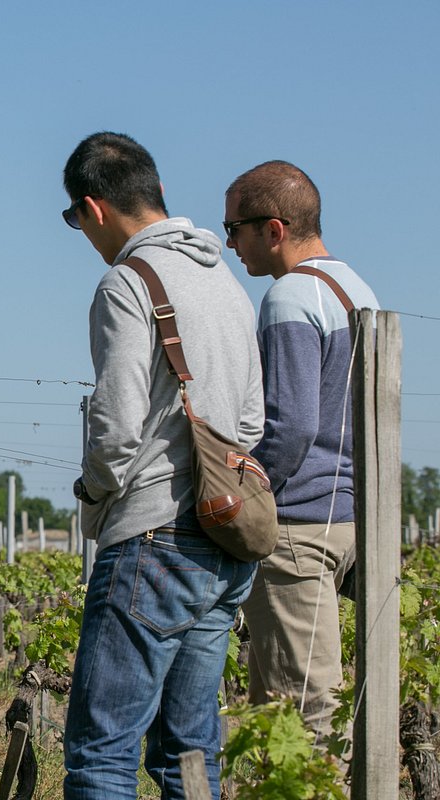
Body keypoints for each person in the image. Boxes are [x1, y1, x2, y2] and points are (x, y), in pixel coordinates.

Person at [60, 132, 264, 799]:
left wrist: (92, 492)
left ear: (93, 208)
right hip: (224, 541)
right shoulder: (225, 281)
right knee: (189, 751)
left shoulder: (127, 283)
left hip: (153, 537)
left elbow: (117, 429)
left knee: (102, 753)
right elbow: (252, 424)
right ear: (158, 192)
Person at [225, 161, 379, 735]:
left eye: (234, 229)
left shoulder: (290, 297)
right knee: (286, 709)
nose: (230, 245)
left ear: (274, 229)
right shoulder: (355, 288)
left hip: (296, 527)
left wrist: (242, 497)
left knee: (305, 715)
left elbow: (290, 428)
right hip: (345, 518)